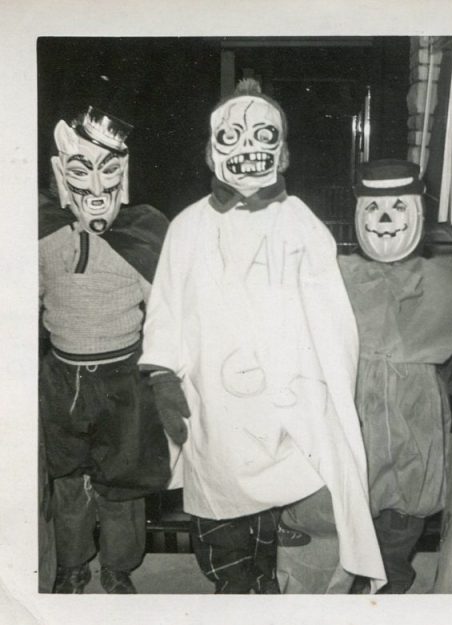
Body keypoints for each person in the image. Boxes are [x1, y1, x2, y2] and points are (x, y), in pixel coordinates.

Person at [138, 79, 386, 594]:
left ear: (284, 152)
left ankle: (262, 578)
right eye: (231, 138)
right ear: (210, 155)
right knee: (220, 496)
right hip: (212, 398)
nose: (249, 149)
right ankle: (233, 583)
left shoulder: (301, 225)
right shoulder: (187, 227)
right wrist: (163, 374)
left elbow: (329, 315)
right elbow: (164, 304)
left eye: (263, 135)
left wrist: (323, 383)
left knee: (276, 491)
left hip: (283, 396)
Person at [338, 159, 452, 593]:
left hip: (415, 410)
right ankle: (355, 576)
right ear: (359, 213)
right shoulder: (340, 275)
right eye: (374, 209)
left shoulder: (441, 280)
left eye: (397, 208)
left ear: (418, 214)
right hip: (358, 406)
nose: (385, 220)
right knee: (356, 497)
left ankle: (392, 578)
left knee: (407, 502)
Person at [39, 107, 171, 593]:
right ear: (59, 173)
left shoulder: (142, 233)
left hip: (124, 378)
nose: (95, 187)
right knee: (67, 477)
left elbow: (166, 309)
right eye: (80, 171)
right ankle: (72, 564)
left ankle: (118, 568)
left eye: (108, 171)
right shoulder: (42, 234)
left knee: (124, 482)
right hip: (61, 377)